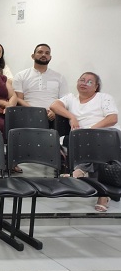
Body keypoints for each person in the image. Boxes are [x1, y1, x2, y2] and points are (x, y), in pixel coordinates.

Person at [50, 72, 119, 212]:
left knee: (97, 141)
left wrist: (91, 131)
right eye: (82, 80)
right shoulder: (71, 98)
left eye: (89, 82)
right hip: (83, 140)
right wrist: (72, 116)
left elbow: (112, 119)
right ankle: (103, 196)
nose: (84, 83)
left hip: (108, 134)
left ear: (96, 86)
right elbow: (54, 106)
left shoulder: (104, 98)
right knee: (95, 148)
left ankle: (79, 170)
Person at [13, 44, 68, 121]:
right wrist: (35, 111)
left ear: (50, 58)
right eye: (40, 52)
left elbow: (64, 100)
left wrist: (55, 111)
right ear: (33, 56)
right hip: (28, 115)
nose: (44, 55)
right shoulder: (21, 76)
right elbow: (18, 99)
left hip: (53, 117)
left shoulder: (59, 77)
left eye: (47, 53)